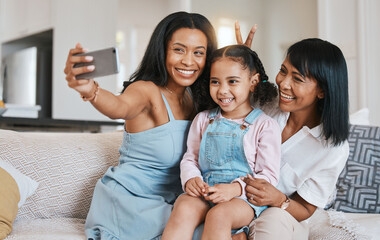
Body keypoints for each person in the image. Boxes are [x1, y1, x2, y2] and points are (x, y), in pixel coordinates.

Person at [63, 11, 218, 240]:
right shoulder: (146, 91)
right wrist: (90, 89)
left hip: (175, 204)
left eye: (199, 53)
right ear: (162, 50)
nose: (188, 61)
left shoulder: (197, 99)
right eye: (179, 49)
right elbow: (118, 106)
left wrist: (237, 65)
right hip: (132, 205)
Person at [234, 34, 350, 239]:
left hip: (279, 214)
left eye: (297, 79)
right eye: (282, 71)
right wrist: (239, 65)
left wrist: (278, 199)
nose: (283, 84)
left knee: (273, 222)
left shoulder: (332, 148)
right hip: (232, 198)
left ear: (322, 91)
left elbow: (306, 208)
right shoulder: (266, 103)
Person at [162, 44, 281, 240]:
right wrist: (192, 178)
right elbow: (190, 158)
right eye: (215, 82)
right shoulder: (203, 119)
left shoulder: (265, 125)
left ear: (253, 82)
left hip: (243, 199)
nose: (223, 90)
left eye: (232, 81)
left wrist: (235, 189)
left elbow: (268, 176)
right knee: (183, 206)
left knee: (219, 214)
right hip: (206, 192)